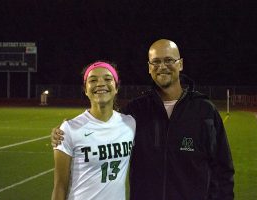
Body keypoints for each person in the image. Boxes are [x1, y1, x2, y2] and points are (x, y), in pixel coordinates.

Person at [51, 39, 234, 200]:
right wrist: (65, 130)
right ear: (149, 67)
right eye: (156, 61)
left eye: (169, 60)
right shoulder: (136, 112)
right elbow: (104, 121)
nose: (162, 66)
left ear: (180, 64)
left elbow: (223, 170)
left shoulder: (204, 111)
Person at [51, 61, 136, 200]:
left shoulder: (129, 123)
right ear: (85, 89)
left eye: (108, 79)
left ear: (116, 87)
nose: (101, 83)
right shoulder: (69, 129)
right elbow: (60, 186)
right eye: (93, 80)